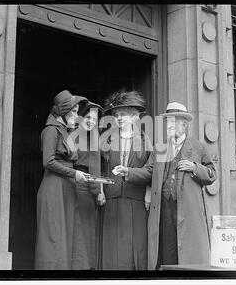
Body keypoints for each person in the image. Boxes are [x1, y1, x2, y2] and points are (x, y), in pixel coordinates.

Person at [116, 102, 217, 270]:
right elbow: (148, 171)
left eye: (173, 122)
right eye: (167, 122)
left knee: (187, 253)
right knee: (167, 252)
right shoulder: (159, 148)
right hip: (164, 208)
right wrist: (128, 172)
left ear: (184, 125)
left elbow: (212, 174)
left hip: (188, 209)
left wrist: (195, 168)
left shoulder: (199, 147)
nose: (169, 126)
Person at [35, 90, 89, 270]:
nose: (77, 115)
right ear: (63, 112)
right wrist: (74, 174)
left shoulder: (65, 131)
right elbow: (48, 161)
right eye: (73, 111)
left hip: (67, 188)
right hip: (54, 188)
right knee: (55, 239)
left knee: (69, 237)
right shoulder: (50, 130)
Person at [100, 90, 151, 270]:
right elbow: (100, 169)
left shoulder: (145, 142)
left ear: (135, 117)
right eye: (116, 115)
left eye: (123, 115)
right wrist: (100, 191)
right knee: (112, 247)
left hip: (135, 199)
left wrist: (148, 193)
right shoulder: (107, 140)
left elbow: (150, 170)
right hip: (112, 198)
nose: (119, 118)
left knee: (134, 246)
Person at [72, 102, 104, 270]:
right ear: (81, 117)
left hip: (81, 183)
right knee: (83, 227)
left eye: (95, 119)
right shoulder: (81, 135)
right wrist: (98, 191)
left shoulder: (88, 135)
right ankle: (82, 267)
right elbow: (93, 166)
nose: (91, 121)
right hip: (81, 183)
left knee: (81, 227)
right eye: (88, 117)